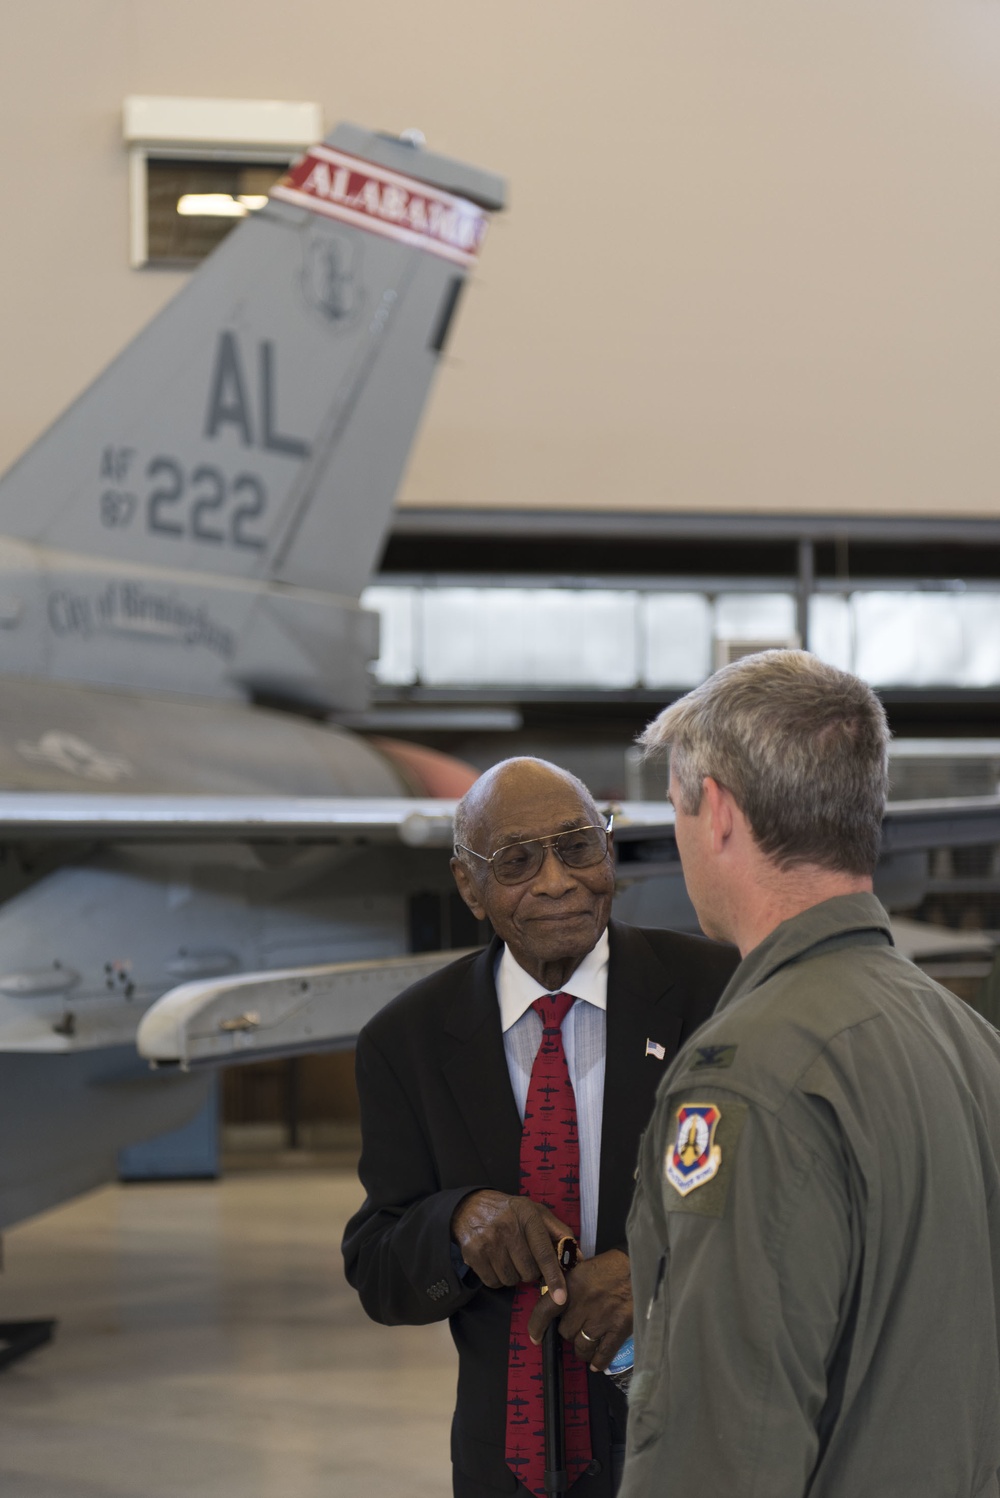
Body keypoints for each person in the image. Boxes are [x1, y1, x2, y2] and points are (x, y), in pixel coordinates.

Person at [618, 650, 1000, 1498]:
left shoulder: (748, 1075)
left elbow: (724, 1441)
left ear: (716, 811)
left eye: (677, 807)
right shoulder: (970, 1042)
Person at [342, 756, 737, 1498]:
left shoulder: (718, 993)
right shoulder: (408, 1041)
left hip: (695, 1447)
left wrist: (655, 1270)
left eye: (579, 846)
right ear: (470, 887)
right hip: (505, 1466)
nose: (557, 881)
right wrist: (456, 1223)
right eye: (518, 861)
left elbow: (783, 1201)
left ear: (608, 848)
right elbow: (379, 1267)